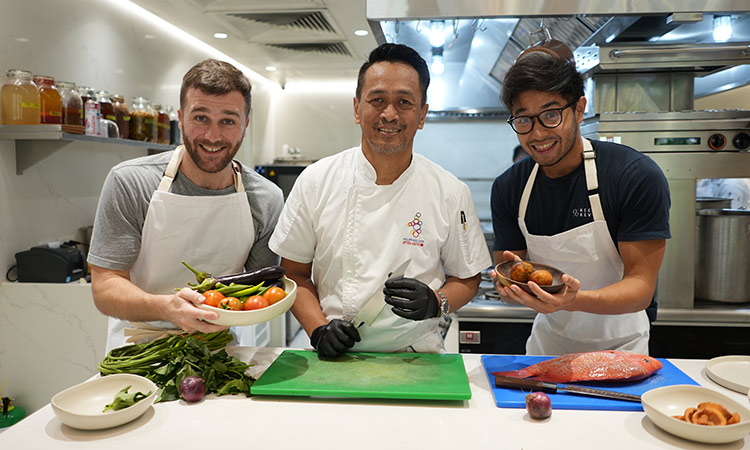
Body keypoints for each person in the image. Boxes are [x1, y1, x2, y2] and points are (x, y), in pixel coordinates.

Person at [269, 43, 492, 356]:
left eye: (404, 102)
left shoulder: (450, 191)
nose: (390, 114)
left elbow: (467, 278)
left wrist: (436, 301)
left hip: (418, 355)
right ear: (358, 109)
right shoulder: (316, 181)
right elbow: (293, 274)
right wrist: (318, 329)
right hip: (335, 357)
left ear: (422, 114)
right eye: (377, 100)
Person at [88, 59, 284, 353]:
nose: (213, 136)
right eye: (200, 118)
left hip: (219, 352)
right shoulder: (131, 182)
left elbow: (259, 291)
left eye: (228, 120)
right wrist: (167, 308)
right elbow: (105, 287)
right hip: (137, 350)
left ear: (245, 125)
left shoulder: (266, 198)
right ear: (180, 118)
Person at [489, 47, 671, 356]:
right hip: (547, 347)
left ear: (579, 109)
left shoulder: (633, 176)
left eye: (551, 115)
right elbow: (508, 276)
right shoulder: (510, 188)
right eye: (523, 120)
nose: (537, 133)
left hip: (622, 349)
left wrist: (574, 299)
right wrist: (509, 288)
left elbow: (641, 287)